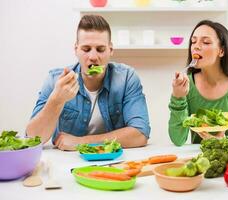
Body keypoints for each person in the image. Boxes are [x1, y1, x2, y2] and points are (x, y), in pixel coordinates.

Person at [26, 15, 150, 150]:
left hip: (114, 159)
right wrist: (56, 100)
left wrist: (81, 142)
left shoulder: (126, 78)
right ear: (76, 49)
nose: (93, 57)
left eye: (100, 49)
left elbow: (140, 133)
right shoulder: (55, 80)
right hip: (68, 161)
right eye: (86, 49)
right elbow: (33, 139)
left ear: (111, 50)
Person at [168, 20, 228, 147]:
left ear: (222, 51)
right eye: (193, 41)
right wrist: (178, 98)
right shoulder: (187, 84)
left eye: (206, 42)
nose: (196, 46)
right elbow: (178, 139)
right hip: (198, 160)